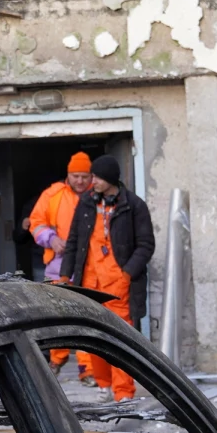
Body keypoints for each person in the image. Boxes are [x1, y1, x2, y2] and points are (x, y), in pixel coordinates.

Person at [60, 154, 155, 402]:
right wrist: (64, 275)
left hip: (120, 287)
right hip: (89, 284)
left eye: (97, 177)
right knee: (94, 338)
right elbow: (73, 241)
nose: (93, 181)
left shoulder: (134, 205)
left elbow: (145, 246)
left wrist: (126, 274)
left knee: (120, 341)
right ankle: (104, 386)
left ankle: (123, 394)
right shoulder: (86, 203)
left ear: (111, 179)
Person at [30, 152, 95, 381]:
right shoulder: (53, 194)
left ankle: (87, 368)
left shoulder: (98, 196)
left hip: (89, 268)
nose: (80, 181)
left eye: (85, 176)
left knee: (87, 318)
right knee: (58, 316)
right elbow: (36, 223)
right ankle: (57, 359)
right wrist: (51, 239)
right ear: (68, 175)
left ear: (91, 176)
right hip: (57, 267)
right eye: (76, 176)